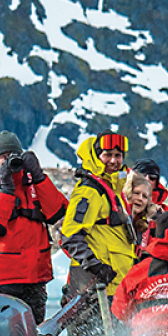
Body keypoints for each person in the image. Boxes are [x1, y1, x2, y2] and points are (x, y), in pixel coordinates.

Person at [0, 130, 67, 322]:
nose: (8, 161)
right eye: (3, 157)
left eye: (13, 156)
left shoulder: (32, 185)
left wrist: (39, 177)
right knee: (0, 332)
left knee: (32, 332)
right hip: (0, 280)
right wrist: (5, 191)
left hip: (34, 278)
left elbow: (58, 212)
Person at [60, 131, 140, 307]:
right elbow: (70, 236)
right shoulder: (90, 191)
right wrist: (96, 268)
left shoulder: (113, 190)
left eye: (118, 155)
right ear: (97, 156)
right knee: (91, 334)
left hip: (115, 288)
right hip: (96, 290)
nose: (113, 160)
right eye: (108, 155)